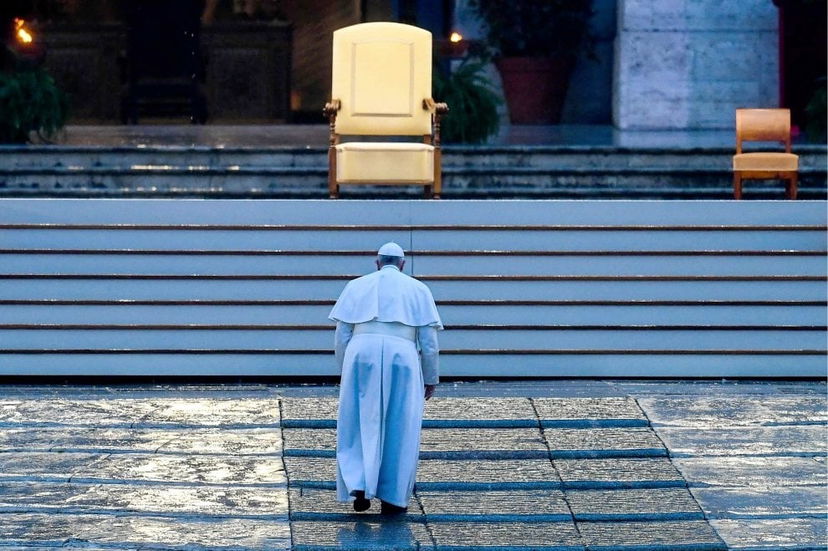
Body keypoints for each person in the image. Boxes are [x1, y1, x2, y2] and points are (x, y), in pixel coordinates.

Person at [329, 242, 442, 514]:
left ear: (376, 262)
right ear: (403, 264)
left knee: (357, 420)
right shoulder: (419, 289)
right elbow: (429, 343)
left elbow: (342, 335)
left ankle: (358, 484)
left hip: (360, 351)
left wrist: (346, 370)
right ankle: (392, 496)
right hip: (402, 354)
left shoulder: (356, 286)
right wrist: (430, 378)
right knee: (400, 423)